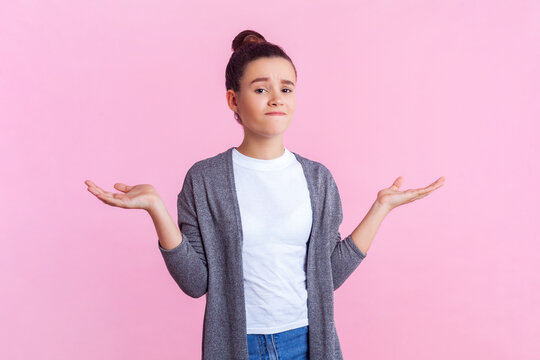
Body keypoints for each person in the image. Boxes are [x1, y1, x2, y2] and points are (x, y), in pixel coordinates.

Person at [85, 29, 445, 360]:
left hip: (308, 342)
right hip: (238, 345)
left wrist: (381, 208)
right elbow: (196, 284)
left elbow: (327, 276)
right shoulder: (205, 179)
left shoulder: (318, 179)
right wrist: (156, 209)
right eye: (260, 89)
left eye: (286, 89)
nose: (276, 99)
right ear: (233, 100)